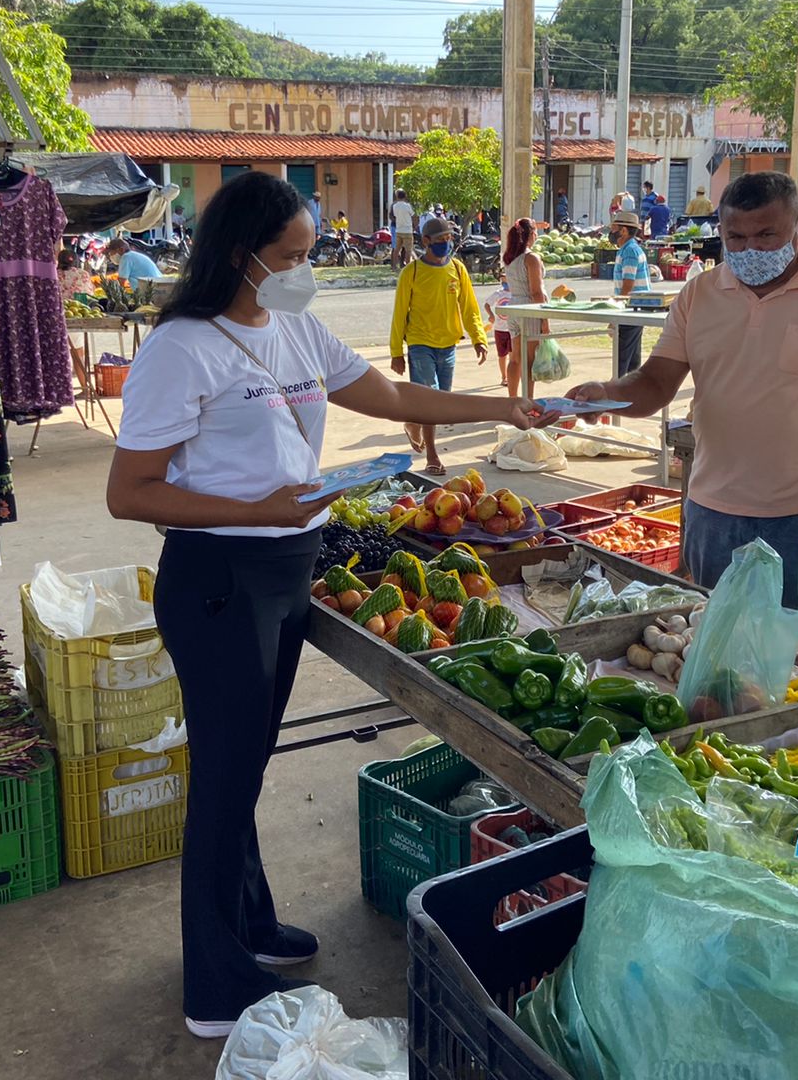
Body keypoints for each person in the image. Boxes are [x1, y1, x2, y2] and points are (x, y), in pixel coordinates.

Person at [105, 172, 535, 1040]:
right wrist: (257, 510)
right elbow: (130, 491)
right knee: (223, 779)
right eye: (292, 256)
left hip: (287, 568)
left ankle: (251, 926)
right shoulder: (183, 348)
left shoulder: (296, 328)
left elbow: (393, 396)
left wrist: (507, 405)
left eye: (310, 253)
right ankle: (214, 987)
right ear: (240, 255)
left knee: (247, 764)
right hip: (220, 578)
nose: (306, 269)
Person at [545, 171, 798, 604]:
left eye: (766, 235)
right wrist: (606, 393)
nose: (750, 250)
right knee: (713, 634)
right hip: (712, 513)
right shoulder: (699, 295)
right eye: (736, 238)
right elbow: (656, 382)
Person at [389, 215, 489, 474]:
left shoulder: (457, 269)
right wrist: (396, 352)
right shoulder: (411, 272)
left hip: (448, 345)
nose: (446, 243)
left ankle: (413, 422)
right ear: (425, 241)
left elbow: (469, 308)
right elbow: (399, 313)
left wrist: (479, 338)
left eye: (448, 238)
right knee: (431, 401)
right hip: (420, 344)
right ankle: (432, 456)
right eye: (440, 239)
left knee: (441, 403)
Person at [501, 216, 547, 400]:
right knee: (529, 360)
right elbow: (536, 292)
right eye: (535, 231)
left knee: (515, 358)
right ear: (531, 234)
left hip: (514, 307)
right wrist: (545, 320)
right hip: (530, 308)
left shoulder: (510, 259)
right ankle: (528, 401)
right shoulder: (531, 258)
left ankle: (512, 400)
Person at [610, 210, 651, 375]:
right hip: (635, 307)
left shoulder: (630, 251)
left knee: (622, 358)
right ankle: (632, 387)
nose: (611, 232)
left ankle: (619, 387)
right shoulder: (628, 249)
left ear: (624, 230)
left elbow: (628, 284)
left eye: (614, 228)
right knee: (632, 359)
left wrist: (616, 312)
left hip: (631, 308)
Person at [485, 279, 512, 385]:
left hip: (512, 329)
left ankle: (511, 377)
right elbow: (487, 304)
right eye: (503, 281)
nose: (505, 283)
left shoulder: (516, 294)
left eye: (507, 280)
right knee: (502, 355)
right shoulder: (498, 293)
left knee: (513, 355)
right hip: (499, 329)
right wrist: (491, 315)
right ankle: (504, 377)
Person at [390, 189, 416, 269]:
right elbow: (413, 215)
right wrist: (414, 226)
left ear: (397, 196)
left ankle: (394, 266)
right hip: (407, 230)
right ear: (405, 196)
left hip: (398, 230)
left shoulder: (394, 206)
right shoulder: (408, 206)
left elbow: (395, 216)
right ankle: (408, 267)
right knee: (408, 250)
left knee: (396, 249)